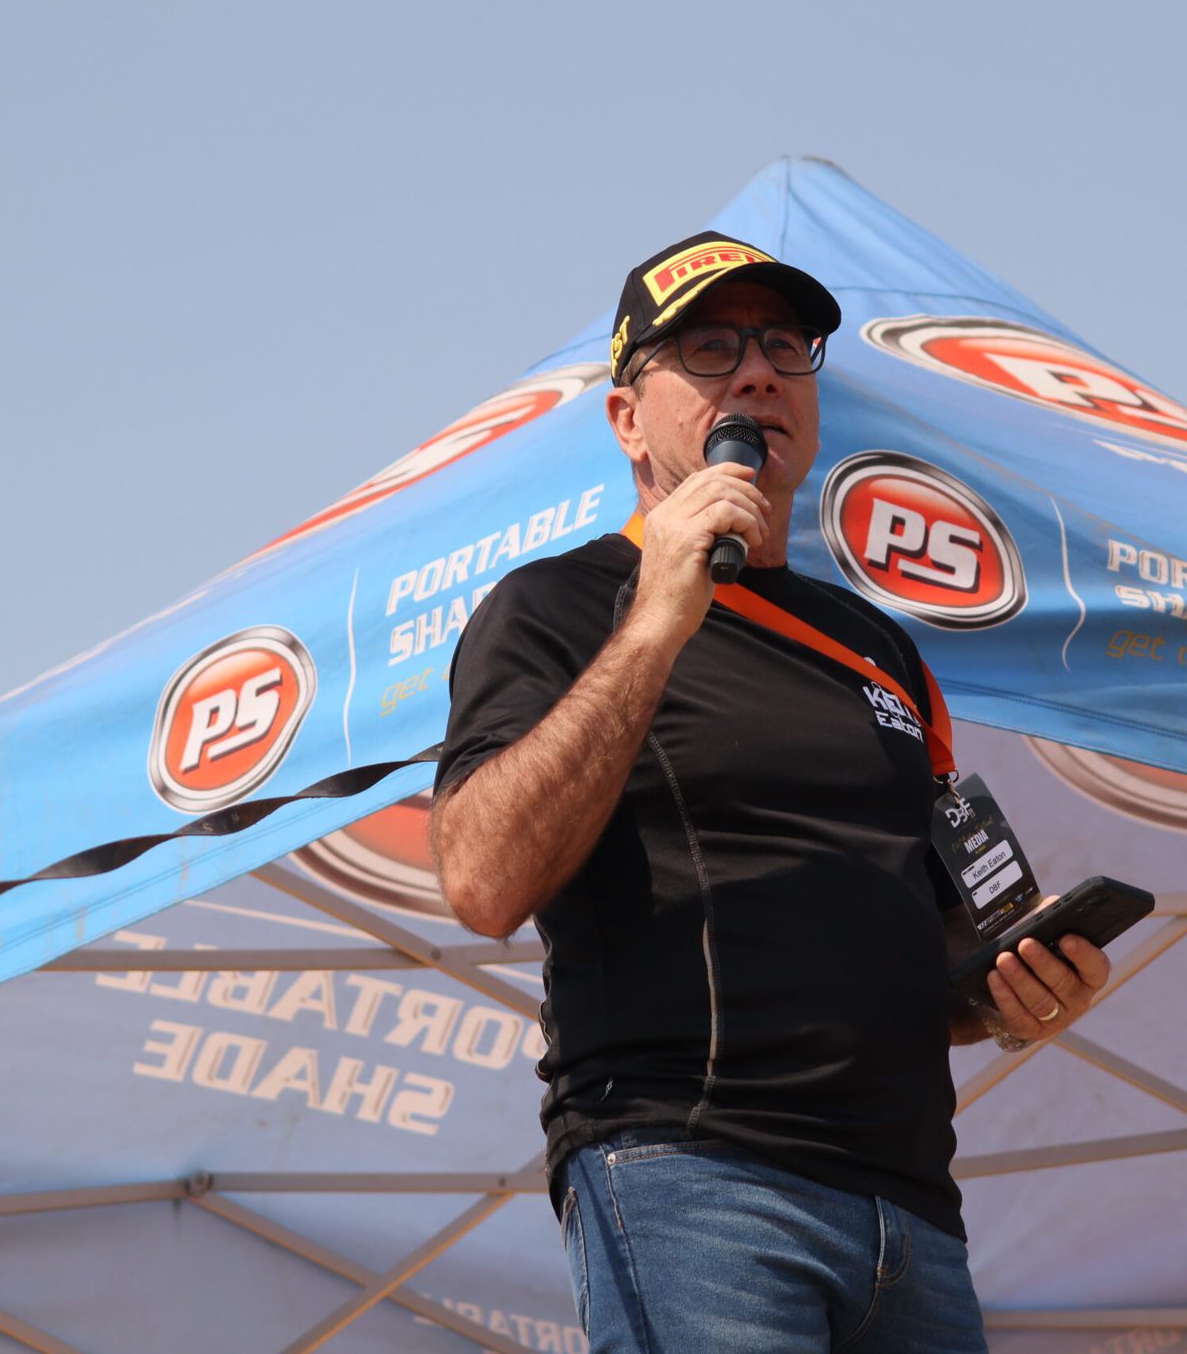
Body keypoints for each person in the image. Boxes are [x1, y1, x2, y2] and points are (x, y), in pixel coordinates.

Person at [429, 231, 1111, 1352]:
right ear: (626, 419)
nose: (756, 374)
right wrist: (658, 619)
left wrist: (1014, 989)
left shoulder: (880, 648)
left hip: (912, 1215)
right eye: (709, 350)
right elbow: (482, 879)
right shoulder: (558, 606)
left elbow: (939, 942)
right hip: (693, 1178)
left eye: (784, 348)